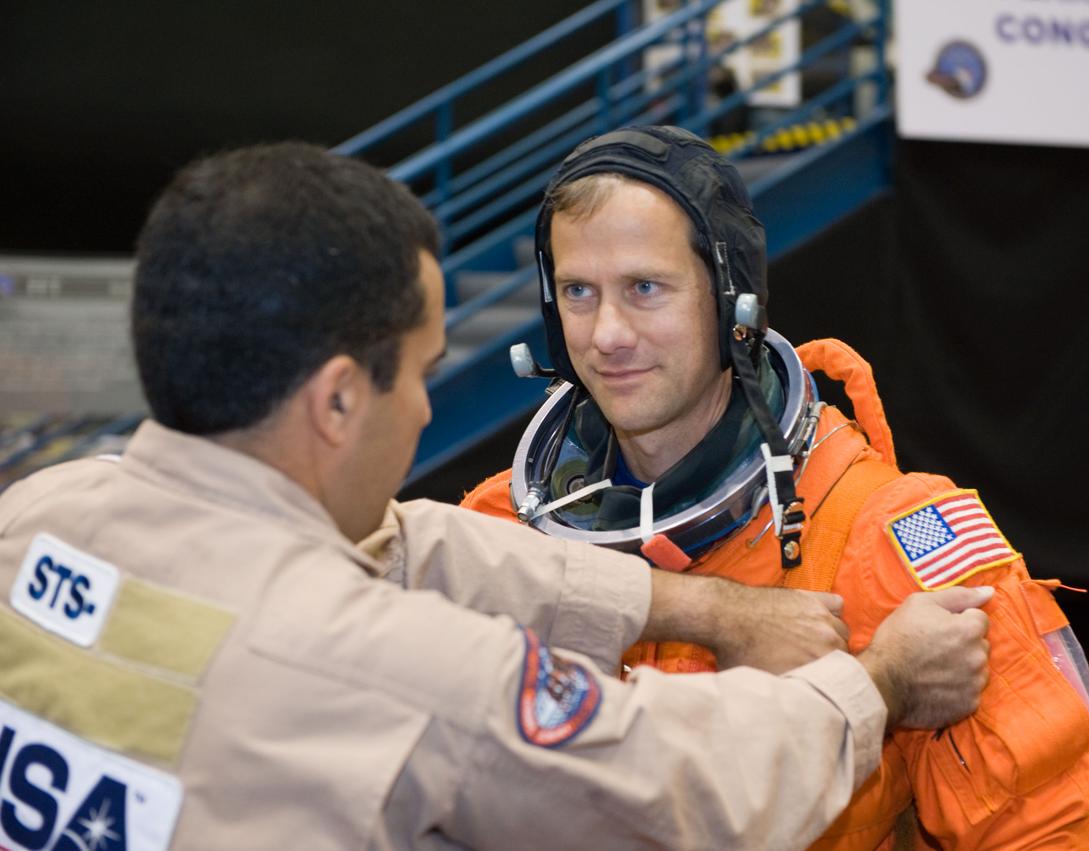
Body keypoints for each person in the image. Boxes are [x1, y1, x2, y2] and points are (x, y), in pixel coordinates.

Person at [0, 142, 992, 851]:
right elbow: (693, 781)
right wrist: (882, 679)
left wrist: (701, 606)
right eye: (422, 372)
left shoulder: (36, 515)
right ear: (338, 397)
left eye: (646, 288)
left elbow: (397, 544)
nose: (429, 408)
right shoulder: (403, 670)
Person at [462, 126, 1089, 850]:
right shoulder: (501, 529)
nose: (607, 333)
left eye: (645, 288)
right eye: (578, 292)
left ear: (732, 297)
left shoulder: (888, 535)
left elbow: (1039, 832)